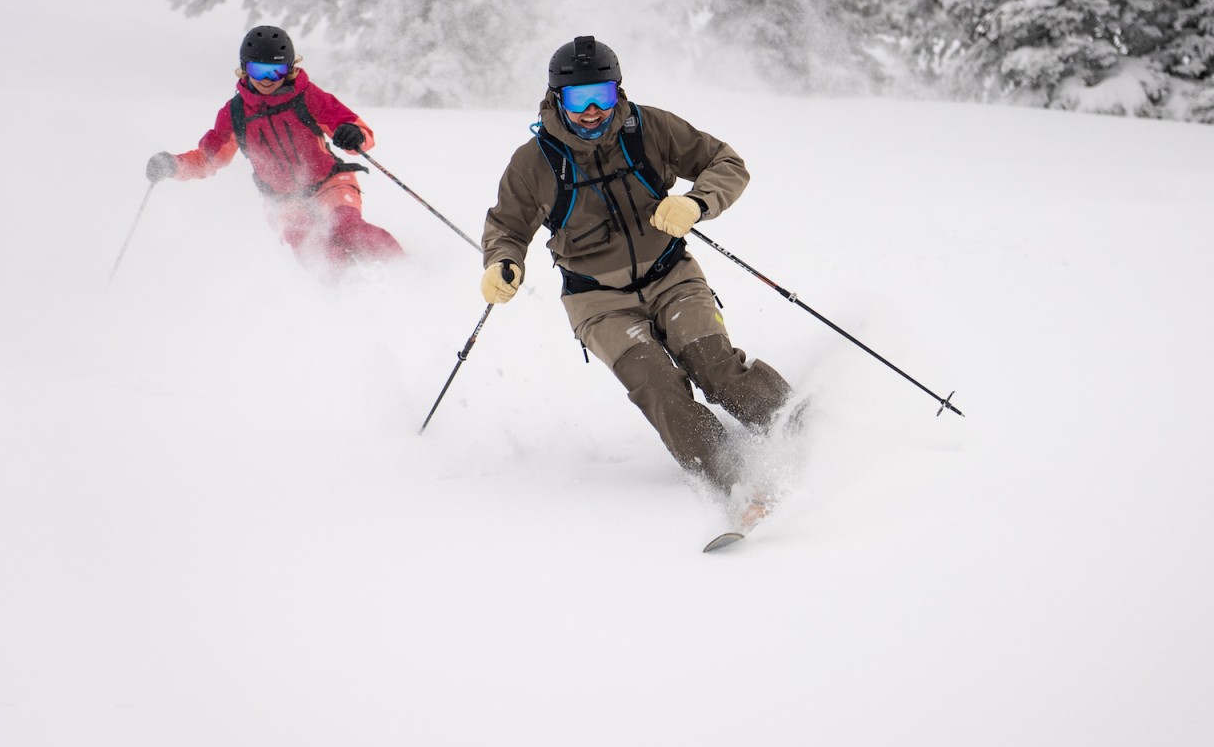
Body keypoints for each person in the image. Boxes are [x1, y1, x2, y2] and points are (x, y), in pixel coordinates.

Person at [480, 35, 792, 520]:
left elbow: (726, 162)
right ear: (554, 99)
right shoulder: (534, 163)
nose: (591, 111)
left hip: (671, 274)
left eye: (601, 97)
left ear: (617, 91)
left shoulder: (649, 129)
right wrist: (503, 263)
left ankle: (793, 424)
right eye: (577, 99)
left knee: (712, 363)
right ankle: (733, 478)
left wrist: (695, 202)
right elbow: (506, 227)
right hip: (597, 298)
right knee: (657, 383)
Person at [146, 25, 404, 280]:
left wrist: (353, 134)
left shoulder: (307, 97)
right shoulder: (235, 113)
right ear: (245, 69)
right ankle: (347, 287)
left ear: (289, 69)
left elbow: (354, 126)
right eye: (259, 70)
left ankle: (403, 272)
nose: (267, 79)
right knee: (307, 243)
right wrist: (173, 165)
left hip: (329, 182)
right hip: (283, 200)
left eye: (276, 70)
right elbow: (208, 158)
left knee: (347, 227)